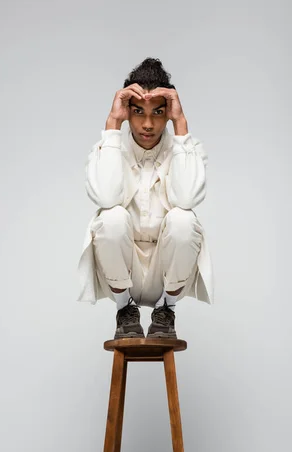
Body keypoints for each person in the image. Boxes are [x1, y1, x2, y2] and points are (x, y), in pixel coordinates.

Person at [76, 57, 214, 339]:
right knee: (110, 217)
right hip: (121, 271)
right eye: (138, 111)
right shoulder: (107, 148)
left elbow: (187, 199)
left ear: (168, 113)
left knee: (183, 219)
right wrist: (113, 124)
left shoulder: (189, 149)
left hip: (170, 272)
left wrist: (181, 124)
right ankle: (125, 310)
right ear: (127, 111)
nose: (148, 124)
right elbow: (104, 196)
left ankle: (166, 311)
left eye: (158, 113)